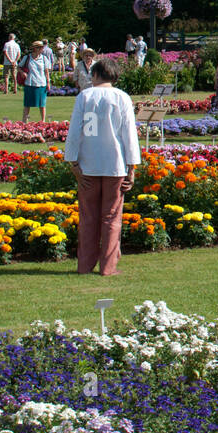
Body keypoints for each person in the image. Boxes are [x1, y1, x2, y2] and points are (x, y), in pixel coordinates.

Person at [64, 57, 141, 277]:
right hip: (115, 164)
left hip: (88, 164)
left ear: (96, 74)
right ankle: (108, 267)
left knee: (88, 216)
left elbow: (74, 131)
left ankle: (84, 265)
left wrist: (73, 161)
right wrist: (132, 167)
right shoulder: (122, 98)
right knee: (111, 217)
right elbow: (129, 134)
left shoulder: (85, 96)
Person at [20, 40, 52, 122]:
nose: (42, 49)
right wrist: (22, 72)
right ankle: (24, 121)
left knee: (42, 104)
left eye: (42, 47)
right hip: (29, 83)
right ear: (35, 49)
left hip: (41, 83)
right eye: (40, 48)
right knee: (27, 104)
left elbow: (46, 71)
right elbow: (18, 67)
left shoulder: (44, 58)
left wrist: (48, 82)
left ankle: (43, 121)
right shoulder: (27, 58)